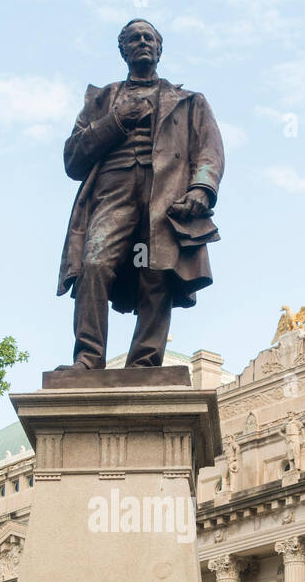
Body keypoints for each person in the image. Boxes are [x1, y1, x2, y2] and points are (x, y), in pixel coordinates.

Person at [57, 19, 224, 370]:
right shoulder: (101, 100)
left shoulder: (189, 101)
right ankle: (88, 358)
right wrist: (117, 121)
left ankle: (145, 364)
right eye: (135, 38)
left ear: (160, 49)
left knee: (157, 272)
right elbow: (73, 158)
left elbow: (209, 151)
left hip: (166, 191)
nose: (143, 42)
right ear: (123, 50)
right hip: (111, 191)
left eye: (150, 38)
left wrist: (201, 188)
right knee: (94, 265)